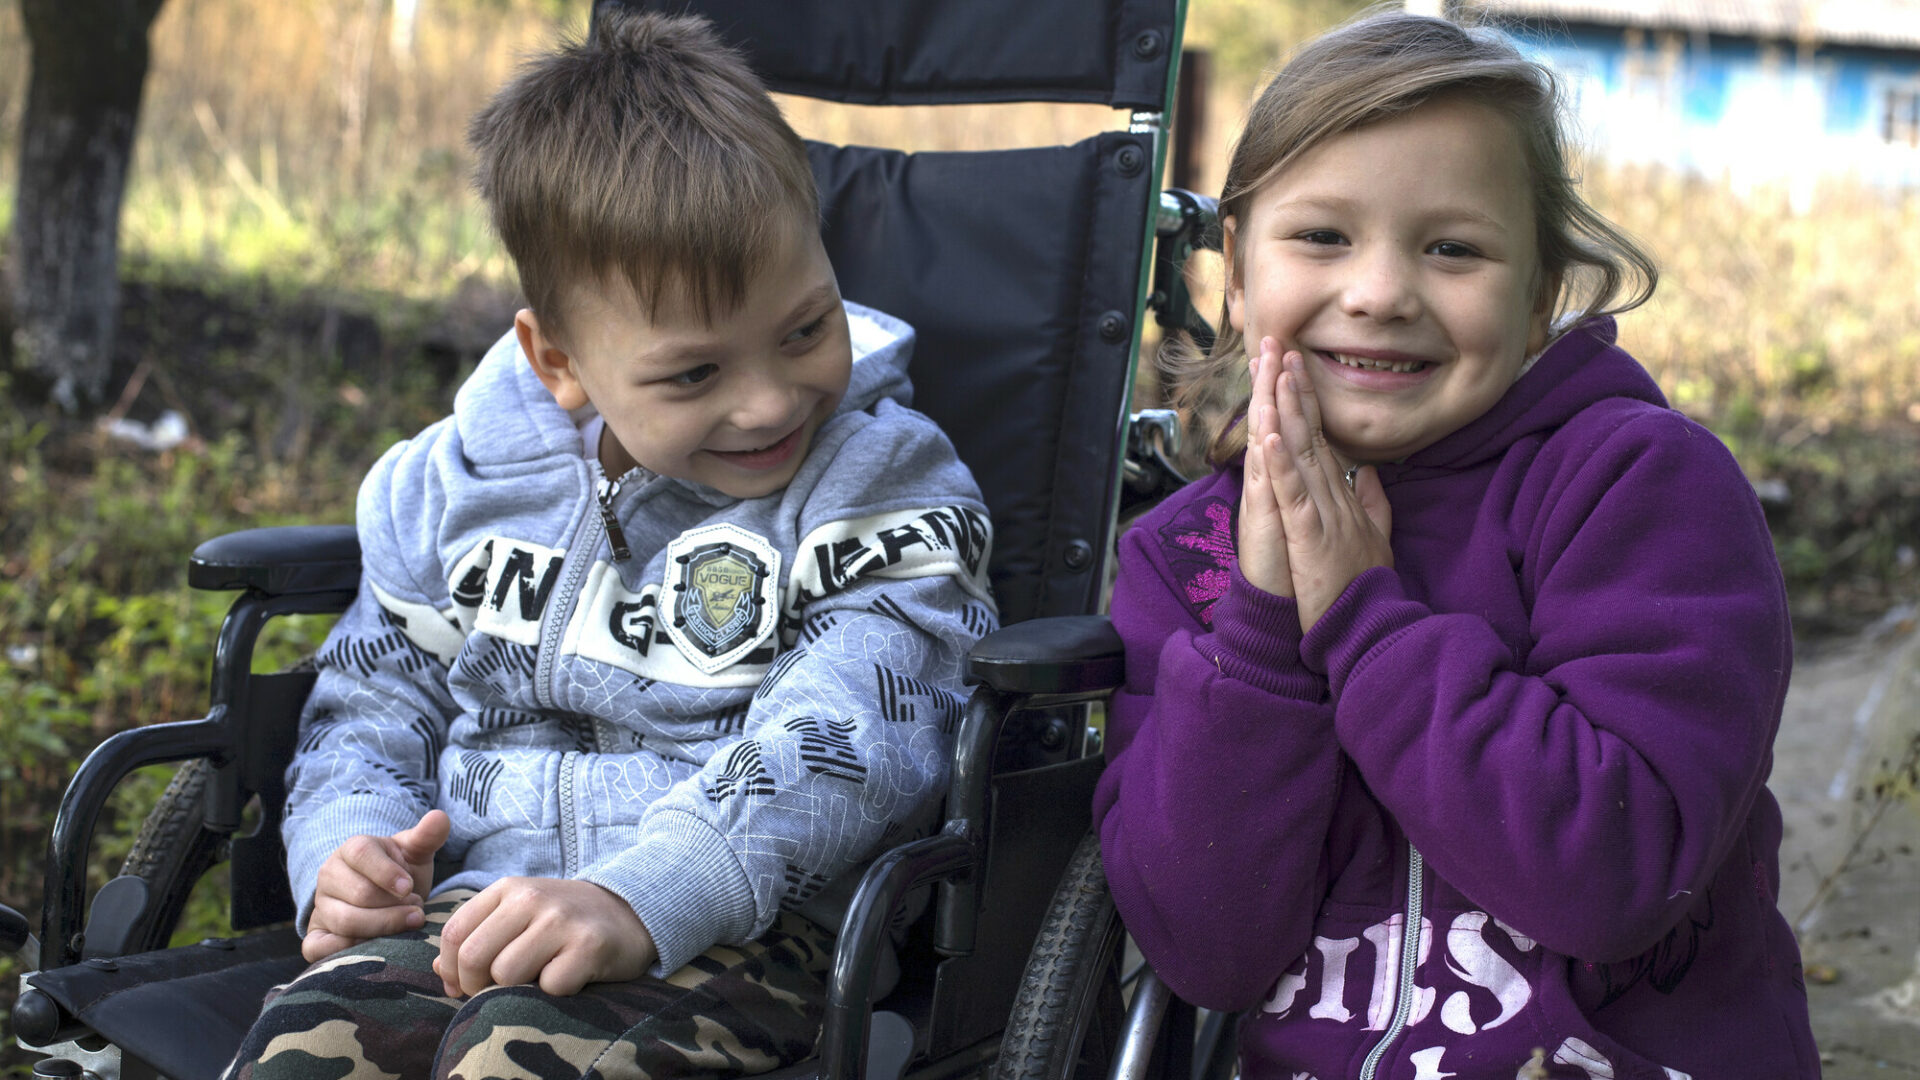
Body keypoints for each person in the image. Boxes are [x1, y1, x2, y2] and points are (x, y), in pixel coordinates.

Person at [226, 9, 997, 1078]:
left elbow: (858, 728)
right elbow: (376, 695)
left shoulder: (877, 484)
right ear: (560, 364)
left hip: (748, 921)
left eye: (806, 330)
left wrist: (644, 893)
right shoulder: (454, 492)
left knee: (516, 1056)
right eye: (693, 374)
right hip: (467, 907)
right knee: (303, 1050)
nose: (771, 401)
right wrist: (349, 850)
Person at [1095, 10, 1818, 1080]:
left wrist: (1363, 622)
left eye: (1453, 249)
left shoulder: (1640, 489)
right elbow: (1208, 952)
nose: (1381, 292)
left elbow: (1612, 876)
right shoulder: (1182, 559)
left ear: (1538, 302)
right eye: (1323, 237)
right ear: (1239, 279)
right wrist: (1260, 627)